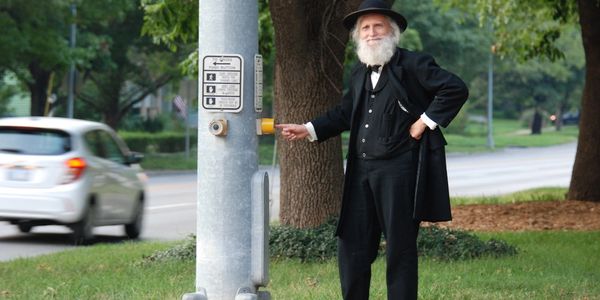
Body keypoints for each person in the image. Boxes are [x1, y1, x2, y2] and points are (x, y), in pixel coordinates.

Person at [276, 0, 468, 299]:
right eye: (365, 27)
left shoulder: (414, 64)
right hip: (361, 172)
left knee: (399, 248)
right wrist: (309, 128)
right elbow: (345, 113)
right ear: (358, 35)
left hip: (400, 171)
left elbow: (455, 88)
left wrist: (425, 121)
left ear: (391, 32)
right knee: (351, 243)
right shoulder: (360, 73)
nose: (371, 32)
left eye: (378, 26)